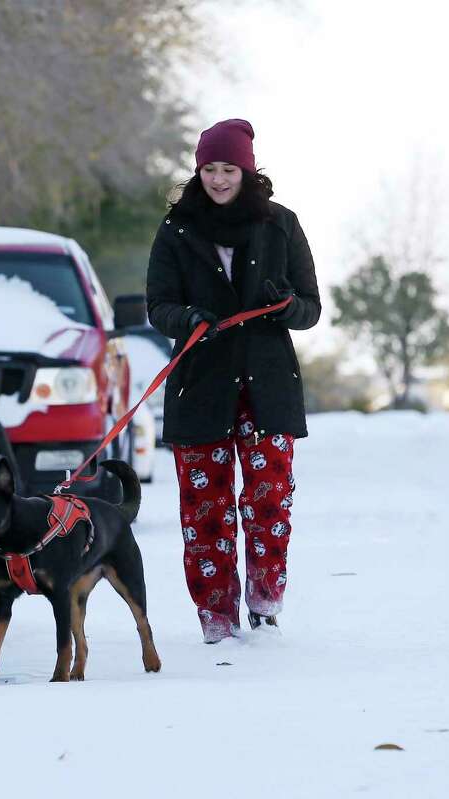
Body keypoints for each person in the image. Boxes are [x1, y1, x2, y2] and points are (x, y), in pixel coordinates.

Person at [146, 118, 320, 643]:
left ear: (247, 171)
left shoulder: (281, 225)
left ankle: (266, 603)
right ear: (197, 172)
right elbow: (159, 306)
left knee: (269, 500)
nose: (218, 179)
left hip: (267, 387)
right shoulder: (176, 230)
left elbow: (311, 308)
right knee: (206, 509)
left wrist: (287, 304)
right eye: (209, 169)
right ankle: (215, 617)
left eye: (228, 169)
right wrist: (189, 319)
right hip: (201, 386)